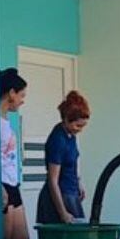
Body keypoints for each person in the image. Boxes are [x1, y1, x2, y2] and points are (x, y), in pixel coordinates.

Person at [36, 91, 90, 225]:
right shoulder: (58, 140)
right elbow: (53, 180)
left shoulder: (70, 135)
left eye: (83, 126)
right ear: (65, 119)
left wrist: (78, 182)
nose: (80, 129)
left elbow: (72, 163)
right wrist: (63, 213)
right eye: (77, 125)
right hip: (60, 196)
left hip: (70, 191)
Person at [0, 68, 30, 239]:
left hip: (13, 184)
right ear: (11, 93)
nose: (22, 100)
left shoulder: (6, 121)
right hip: (2, 185)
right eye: (21, 95)